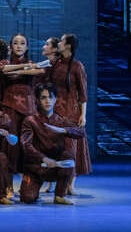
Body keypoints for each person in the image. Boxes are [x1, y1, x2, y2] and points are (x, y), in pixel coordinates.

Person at [20, 83, 85, 205]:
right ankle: (33, 187)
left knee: (69, 155)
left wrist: (63, 130)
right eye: (43, 97)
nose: (47, 101)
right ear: (38, 100)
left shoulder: (60, 120)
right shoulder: (30, 121)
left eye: (50, 97)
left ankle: (59, 195)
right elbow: (26, 145)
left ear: (55, 100)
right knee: (28, 198)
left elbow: (81, 132)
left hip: (55, 166)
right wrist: (43, 158)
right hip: (36, 167)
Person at [46, 33, 91, 193]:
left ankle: (70, 183)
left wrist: (83, 115)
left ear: (68, 46)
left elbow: (83, 94)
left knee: (71, 147)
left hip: (71, 111)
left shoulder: (77, 66)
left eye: (61, 41)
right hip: (56, 110)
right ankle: (53, 181)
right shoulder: (56, 64)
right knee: (55, 146)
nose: (59, 43)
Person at [0, 33, 45, 179]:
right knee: (10, 143)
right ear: (10, 46)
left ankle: (28, 179)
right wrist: (25, 68)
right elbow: (4, 70)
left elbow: (40, 70)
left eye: (22, 43)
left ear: (27, 47)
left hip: (28, 109)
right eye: (16, 43)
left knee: (27, 142)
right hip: (9, 106)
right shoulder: (5, 62)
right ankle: (7, 181)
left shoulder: (32, 63)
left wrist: (19, 71)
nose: (19, 46)